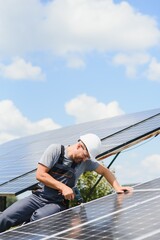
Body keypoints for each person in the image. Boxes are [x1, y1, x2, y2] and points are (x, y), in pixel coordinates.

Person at [0, 133, 133, 233]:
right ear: (79, 146)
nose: (86, 159)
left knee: (39, 219)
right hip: (39, 197)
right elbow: (40, 174)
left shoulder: (85, 162)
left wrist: (117, 187)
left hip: (57, 203)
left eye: (88, 157)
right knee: (5, 217)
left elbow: (105, 171)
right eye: (85, 155)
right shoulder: (56, 151)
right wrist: (62, 186)